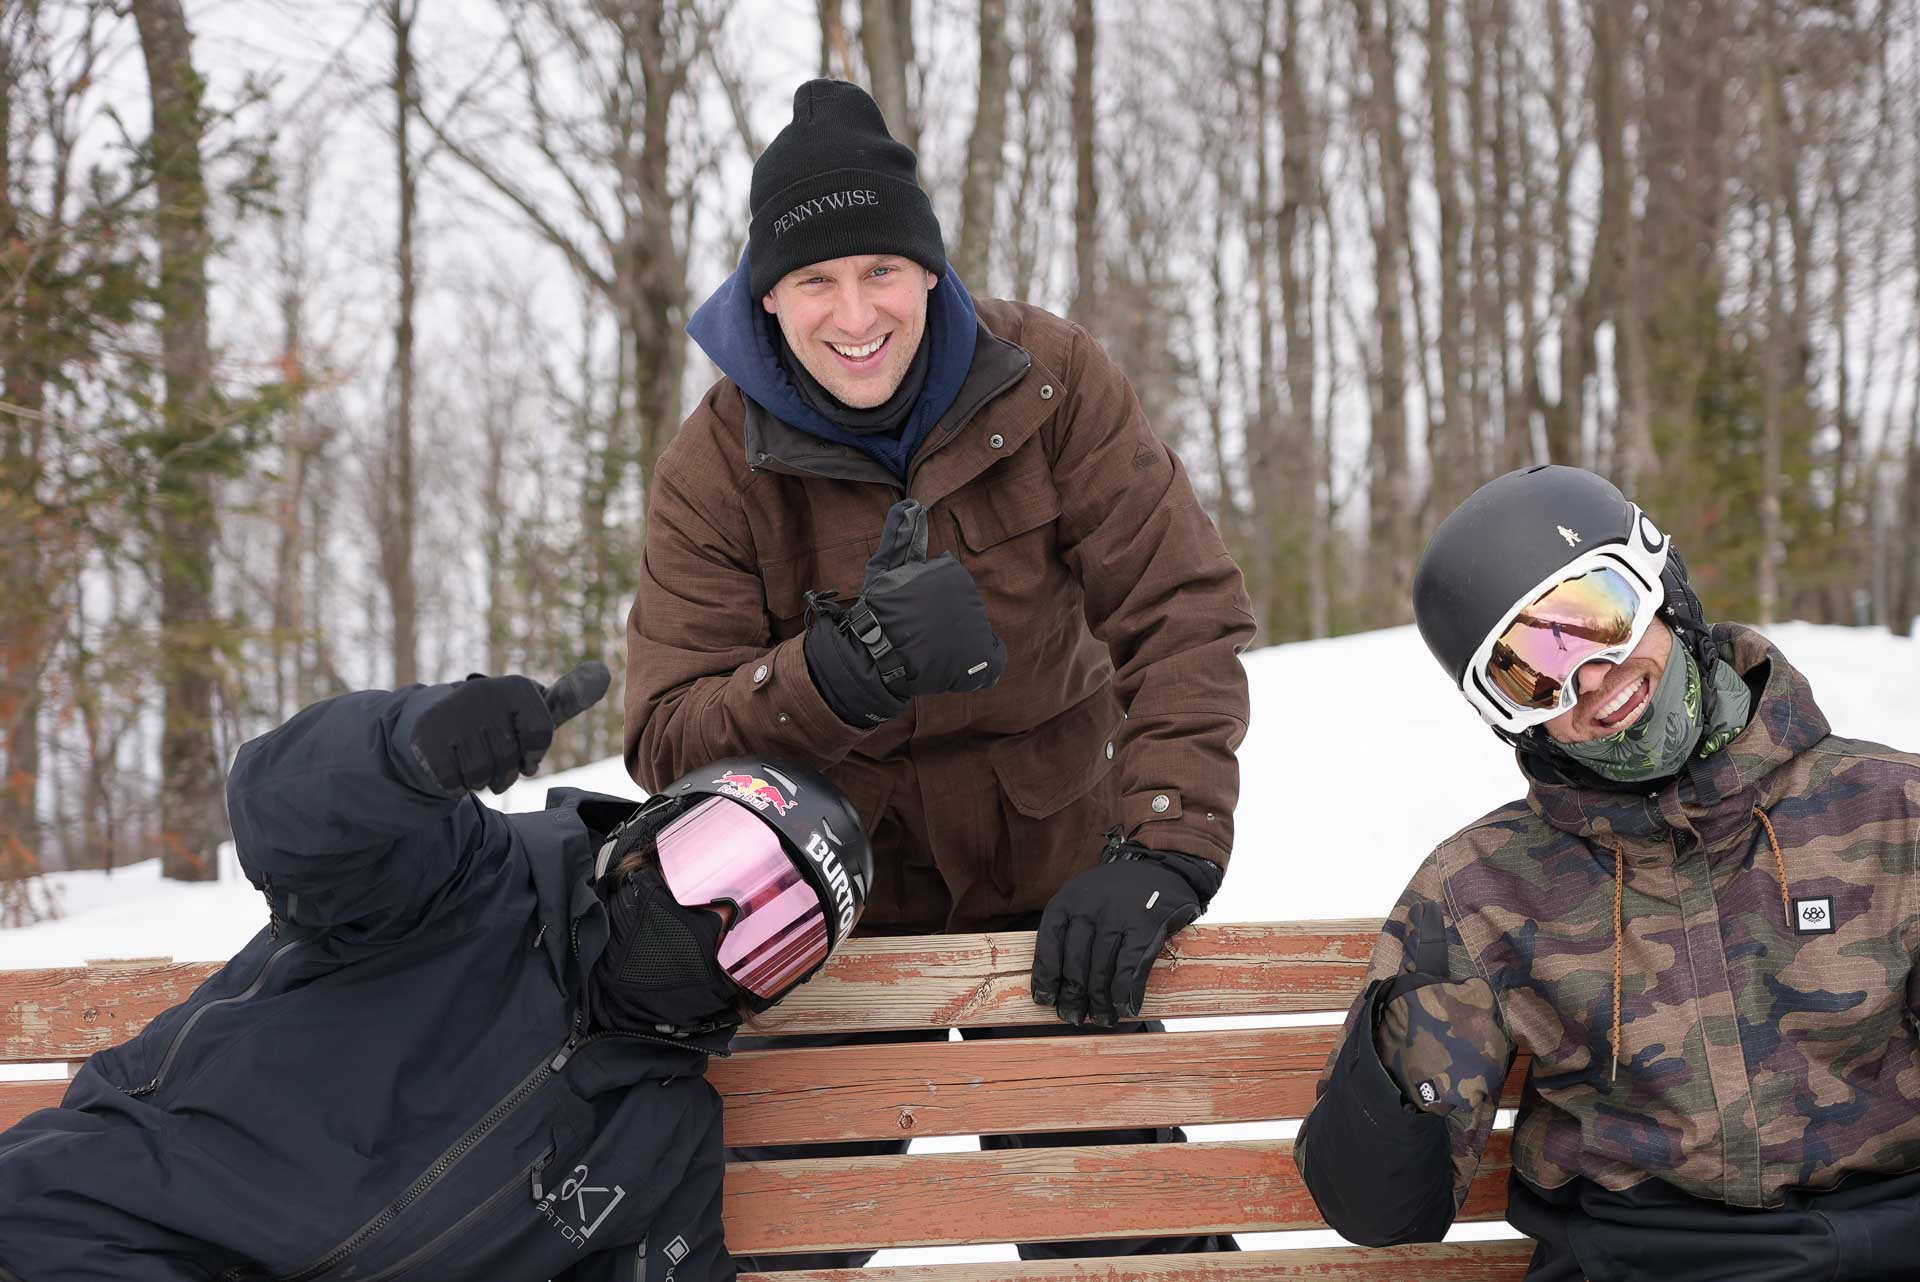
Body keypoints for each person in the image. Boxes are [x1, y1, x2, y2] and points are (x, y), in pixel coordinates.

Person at [624, 78, 1254, 1269]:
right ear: (769, 296)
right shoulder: (715, 465)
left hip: (1051, 894)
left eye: (881, 270)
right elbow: (663, 733)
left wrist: (1165, 844)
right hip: (824, 926)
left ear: (929, 273)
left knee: (1134, 1236)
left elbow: (1182, 611)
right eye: (815, 279)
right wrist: (833, 676)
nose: (853, 311)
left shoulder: (1053, 381)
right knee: (761, 1246)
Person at [0, 663, 874, 1282]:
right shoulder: (461, 879)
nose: (714, 920)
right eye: (713, 865)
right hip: (96, 1228)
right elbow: (283, 817)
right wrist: (403, 755)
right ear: (643, 836)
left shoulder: (661, 1139)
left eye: (772, 932)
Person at [1294, 465, 1920, 1282]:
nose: (1590, 679)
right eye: (1529, 672)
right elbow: (1379, 1209)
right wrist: (1401, 1067)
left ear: (1664, 592)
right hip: (1641, 1261)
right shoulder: (1488, 888)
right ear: (1510, 718)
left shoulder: (1888, 814)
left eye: (1596, 620)